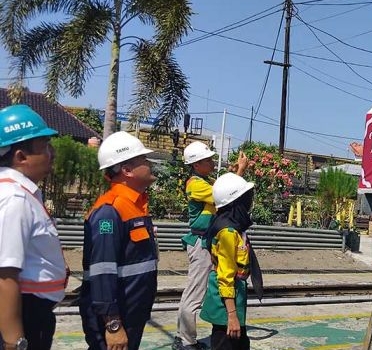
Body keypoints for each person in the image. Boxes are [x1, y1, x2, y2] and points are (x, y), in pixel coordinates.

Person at [79, 131, 159, 350]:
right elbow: (102, 271)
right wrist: (113, 325)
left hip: (132, 313)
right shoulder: (109, 211)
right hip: (116, 318)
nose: (149, 163)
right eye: (143, 159)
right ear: (127, 170)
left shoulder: (135, 205)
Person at [0, 105, 66, 350]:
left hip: (29, 311)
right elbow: (5, 274)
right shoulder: (14, 198)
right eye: (46, 146)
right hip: (24, 314)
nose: (52, 153)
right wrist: (14, 341)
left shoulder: (18, 193)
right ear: (21, 157)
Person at [174, 142, 248, 350]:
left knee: (199, 290)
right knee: (195, 292)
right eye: (207, 160)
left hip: (206, 241)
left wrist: (234, 173)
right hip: (201, 242)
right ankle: (186, 340)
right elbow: (225, 195)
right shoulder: (195, 184)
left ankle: (185, 337)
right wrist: (240, 172)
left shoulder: (205, 180)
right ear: (196, 165)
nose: (212, 162)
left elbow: (224, 188)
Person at [200, 173, 263, 350]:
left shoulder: (228, 224)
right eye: (245, 199)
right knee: (225, 343)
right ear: (236, 204)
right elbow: (225, 276)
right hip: (226, 301)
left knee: (241, 344)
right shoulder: (228, 232)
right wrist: (232, 315)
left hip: (233, 297)